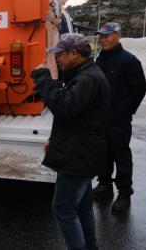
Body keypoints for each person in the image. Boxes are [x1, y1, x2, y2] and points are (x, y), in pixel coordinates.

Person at [33, 33, 110, 250]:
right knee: (83, 207)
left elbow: (64, 107)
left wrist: (44, 78)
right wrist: (54, 139)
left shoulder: (88, 79)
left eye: (60, 54)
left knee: (63, 211)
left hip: (79, 155)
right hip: (82, 150)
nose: (58, 58)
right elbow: (75, 114)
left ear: (74, 53)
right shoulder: (84, 74)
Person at [92, 22, 146, 212]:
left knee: (121, 156)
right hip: (101, 118)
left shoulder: (129, 61)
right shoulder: (100, 59)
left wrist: (127, 110)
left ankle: (124, 193)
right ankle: (104, 185)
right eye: (101, 36)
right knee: (103, 154)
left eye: (107, 36)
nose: (103, 39)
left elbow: (140, 89)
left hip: (119, 120)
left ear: (118, 36)